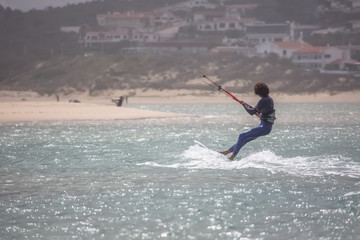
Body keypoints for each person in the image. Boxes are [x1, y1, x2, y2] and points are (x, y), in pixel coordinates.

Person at [220, 82, 276, 160]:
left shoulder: (263, 101)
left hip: (264, 128)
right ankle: (226, 152)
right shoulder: (269, 99)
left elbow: (252, 112)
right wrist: (244, 103)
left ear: (258, 92)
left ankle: (232, 157)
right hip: (266, 128)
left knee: (242, 136)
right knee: (244, 140)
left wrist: (243, 104)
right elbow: (257, 111)